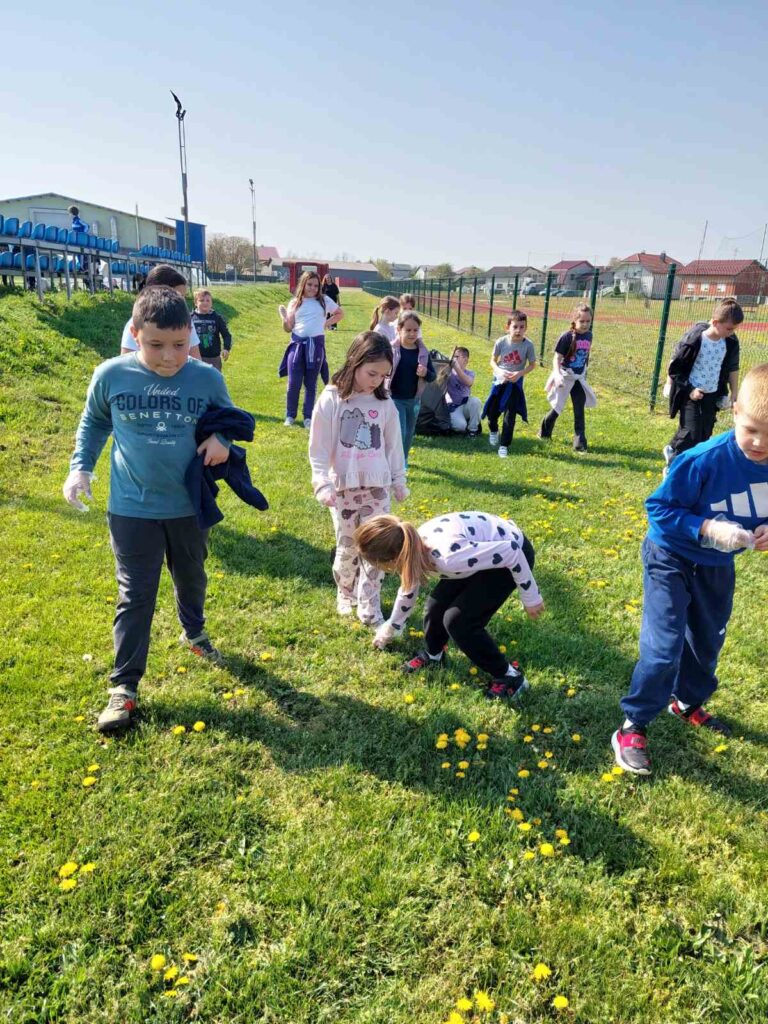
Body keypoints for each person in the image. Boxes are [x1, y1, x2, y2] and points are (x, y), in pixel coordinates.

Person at [62, 287, 236, 733]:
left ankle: (193, 631)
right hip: (131, 507)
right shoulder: (111, 375)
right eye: (156, 344)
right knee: (135, 593)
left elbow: (231, 419)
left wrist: (222, 439)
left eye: (179, 344)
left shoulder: (206, 379)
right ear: (135, 333)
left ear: (190, 335)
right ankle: (124, 687)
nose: (169, 356)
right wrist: (80, 468)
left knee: (191, 575)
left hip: (189, 506)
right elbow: (94, 421)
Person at [612, 363, 768, 776]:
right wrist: (707, 528)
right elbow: (657, 509)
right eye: (752, 429)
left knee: (706, 642)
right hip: (671, 556)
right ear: (735, 411)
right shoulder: (703, 459)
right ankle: (633, 725)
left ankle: (685, 702)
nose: (759, 443)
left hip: (717, 566)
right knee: (664, 647)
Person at [354, 510, 544, 701]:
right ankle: (433, 655)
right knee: (435, 609)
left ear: (394, 559)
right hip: (477, 554)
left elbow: (512, 551)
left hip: (510, 557)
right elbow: (407, 594)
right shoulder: (410, 546)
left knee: (459, 623)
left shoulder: (449, 558)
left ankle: (511, 677)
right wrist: (390, 629)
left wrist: (531, 597)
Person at [309, 331, 408, 625]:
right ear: (355, 360)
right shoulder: (332, 399)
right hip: (343, 489)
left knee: (378, 549)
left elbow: (394, 446)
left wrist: (398, 480)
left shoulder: (385, 404)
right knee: (348, 548)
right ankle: (346, 593)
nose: (377, 381)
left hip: (377, 489)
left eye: (384, 375)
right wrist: (322, 483)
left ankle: (369, 604)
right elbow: (318, 447)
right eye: (371, 373)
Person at [663, 297, 742, 472]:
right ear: (715, 322)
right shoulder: (695, 339)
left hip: (711, 394)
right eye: (729, 328)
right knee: (691, 431)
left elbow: (732, 368)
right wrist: (686, 388)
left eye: (735, 329)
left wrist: (732, 393)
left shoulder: (730, 342)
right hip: (690, 393)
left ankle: (693, 466)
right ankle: (673, 459)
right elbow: (675, 366)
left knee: (705, 433)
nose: (732, 332)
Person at [278, 270, 343, 427]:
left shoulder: (324, 300)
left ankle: (308, 417)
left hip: (316, 346)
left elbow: (340, 313)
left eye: (316, 285)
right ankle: (290, 415)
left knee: (311, 383)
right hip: (297, 345)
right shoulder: (295, 303)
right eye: (310, 284)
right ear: (303, 284)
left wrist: (325, 323)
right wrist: (284, 318)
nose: (313, 288)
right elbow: (288, 327)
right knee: (293, 382)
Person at [538, 303, 596, 451]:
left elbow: (585, 355)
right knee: (557, 407)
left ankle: (580, 443)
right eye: (582, 321)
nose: (585, 324)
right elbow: (557, 358)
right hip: (565, 376)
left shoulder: (589, 335)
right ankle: (544, 432)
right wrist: (557, 375)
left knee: (579, 408)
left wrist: (583, 371)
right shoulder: (567, 337)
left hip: (578, 378)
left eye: (588, 321)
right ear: (574, 320)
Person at [483, 312, 537, 457]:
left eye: (522, 327)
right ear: (507, 327)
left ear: (526, 328)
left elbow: (532, 365)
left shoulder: (528, 345)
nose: (518, 330)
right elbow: (492, 361)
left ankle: (504, 445)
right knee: (492, 411)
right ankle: (494, 431)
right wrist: (499, 371)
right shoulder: (501, 342)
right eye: (515, 327)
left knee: (510, 414)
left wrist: (519, 374)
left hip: (515, 383)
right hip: (500, 380)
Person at [121, 265, 201, 359]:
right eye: (156, 345)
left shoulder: (185, 321)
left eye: (183, 297)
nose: (182, 302)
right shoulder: (138, 323)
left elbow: (196, 359)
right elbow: (126, 363)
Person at [389, 310, 435, 468]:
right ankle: (396, 462)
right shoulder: (392, 350)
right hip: (395, 399)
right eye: (408, 330)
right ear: (399, 329)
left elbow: (433, 377)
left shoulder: (422, 353)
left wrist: (425, 372)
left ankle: (404, 459)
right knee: (400, 432)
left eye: (415, 330)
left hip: (414, 400)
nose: (412, 333)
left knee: (409, 433)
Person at [191, 288, 232, 371]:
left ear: (211, 303)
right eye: (201, 300)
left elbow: (226, 335)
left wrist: (226, 348)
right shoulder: (190, 318)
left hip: (213, 358)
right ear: (195, 303)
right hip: (195, 357)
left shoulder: (217, 318)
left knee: (213, 378)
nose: (205, 303)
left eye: (208, 300)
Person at [445, 347, 482, 436]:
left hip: (466, 404)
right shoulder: (448, 371)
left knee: (476, 401)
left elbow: (469, 382)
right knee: (460, 427)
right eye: (453, 356)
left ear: (465, 360)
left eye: (457, 357)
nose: (454, 359)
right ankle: (467, 421)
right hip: (453, 406)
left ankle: (473, 430)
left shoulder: (470, 373)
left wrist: (457, 368)